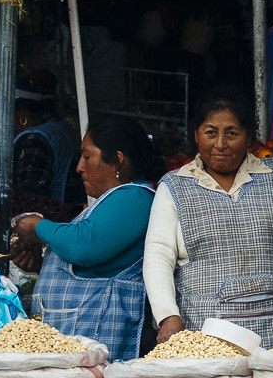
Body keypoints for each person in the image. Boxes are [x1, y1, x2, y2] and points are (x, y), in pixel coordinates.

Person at [143, 85, 273, 348]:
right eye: (210, 133)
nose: (220, 144)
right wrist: (167, 316)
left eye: (232, 133)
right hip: (204, 335)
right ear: (196, 135)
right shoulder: (174, 186)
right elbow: (158, 254)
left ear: (248, 136)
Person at [10, 117, 161, 361]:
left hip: (100, 348)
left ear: (117, 160)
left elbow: (83, 245)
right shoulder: (111, 201)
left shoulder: (135, 198)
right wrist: (44, 264)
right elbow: (92, 265)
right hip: (79, 347)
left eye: (87, 156)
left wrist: (38, 226)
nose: (79, 166)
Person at [13, 77, 81, 202]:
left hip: (56, 215)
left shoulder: (35, 138)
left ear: (21, 110)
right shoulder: (64, 126)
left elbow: (30, 191)